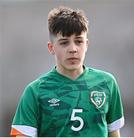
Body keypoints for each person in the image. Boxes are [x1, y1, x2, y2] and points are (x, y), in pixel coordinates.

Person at [10, 5, 125, 137]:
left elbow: (114, 133)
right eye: (64, 42)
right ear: (51, 47)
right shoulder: (35, 91)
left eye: (78, 41)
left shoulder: (107, 83)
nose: (73, 49)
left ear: (86, 45)